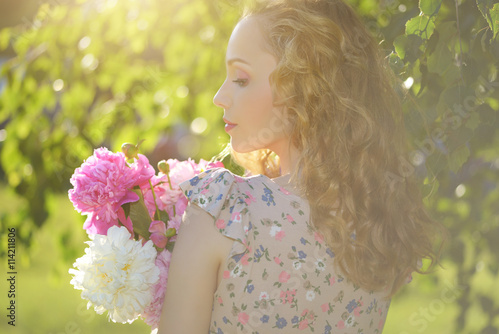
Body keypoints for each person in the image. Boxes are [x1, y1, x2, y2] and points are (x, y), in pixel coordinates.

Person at [158, 0, 444, 333]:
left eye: (240, 78)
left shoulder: (225, 212)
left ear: (302, 85)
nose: (219, 96)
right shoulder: (378, 223)